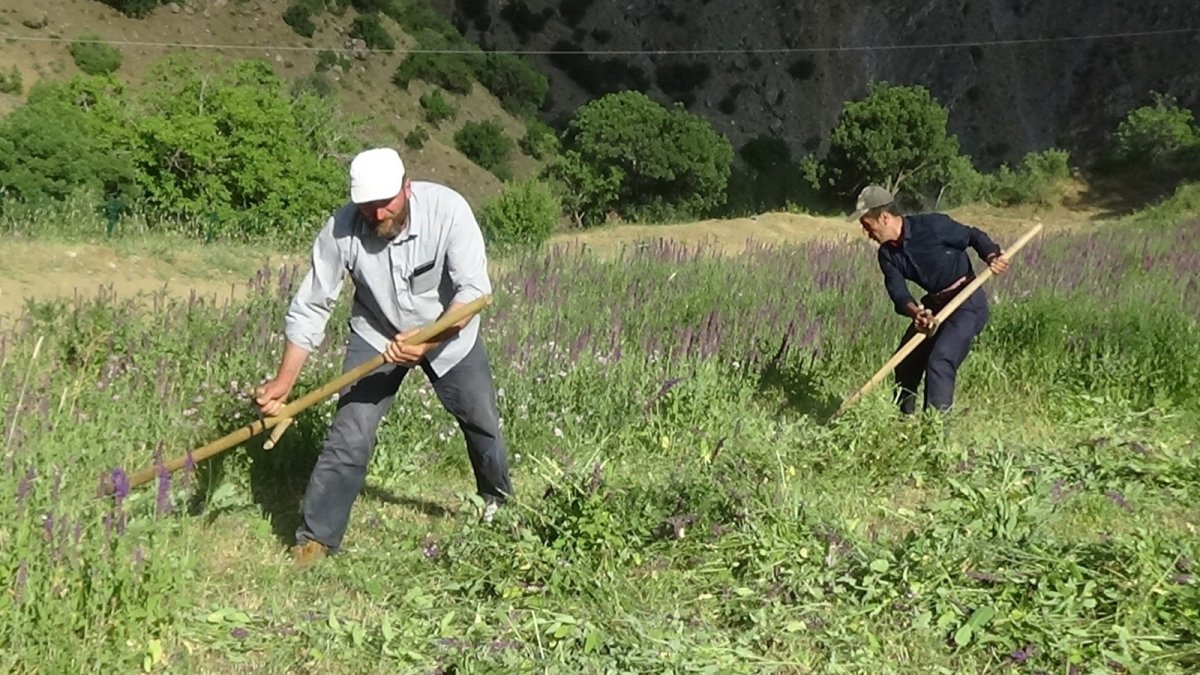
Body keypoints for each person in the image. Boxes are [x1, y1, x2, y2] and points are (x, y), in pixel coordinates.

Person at [254, 147, 514, 566]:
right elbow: (311, 306)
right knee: (349, 434)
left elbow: (473, 293)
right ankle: (315, 539)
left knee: (481, 422)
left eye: (386, 203)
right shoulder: (341, 229)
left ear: (407, 188)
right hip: (377, 335)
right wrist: (284, 385)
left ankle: (497, 503)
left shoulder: (448, 210)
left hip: (448, 335)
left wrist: (427, 342)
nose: (377, 215)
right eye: (367, 206)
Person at [848, 184, 1011, 416]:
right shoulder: (887, 254)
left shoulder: (933, 226)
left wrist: (992, 255)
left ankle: (935, 433)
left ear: (884, 218)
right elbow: (898, 291)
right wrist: (917, 313)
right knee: (905, 362)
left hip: (967, 303)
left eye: (867, 225)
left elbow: (973, 236)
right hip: (934, 306)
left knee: (940, 359)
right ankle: (905, 422)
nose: (867, 233)